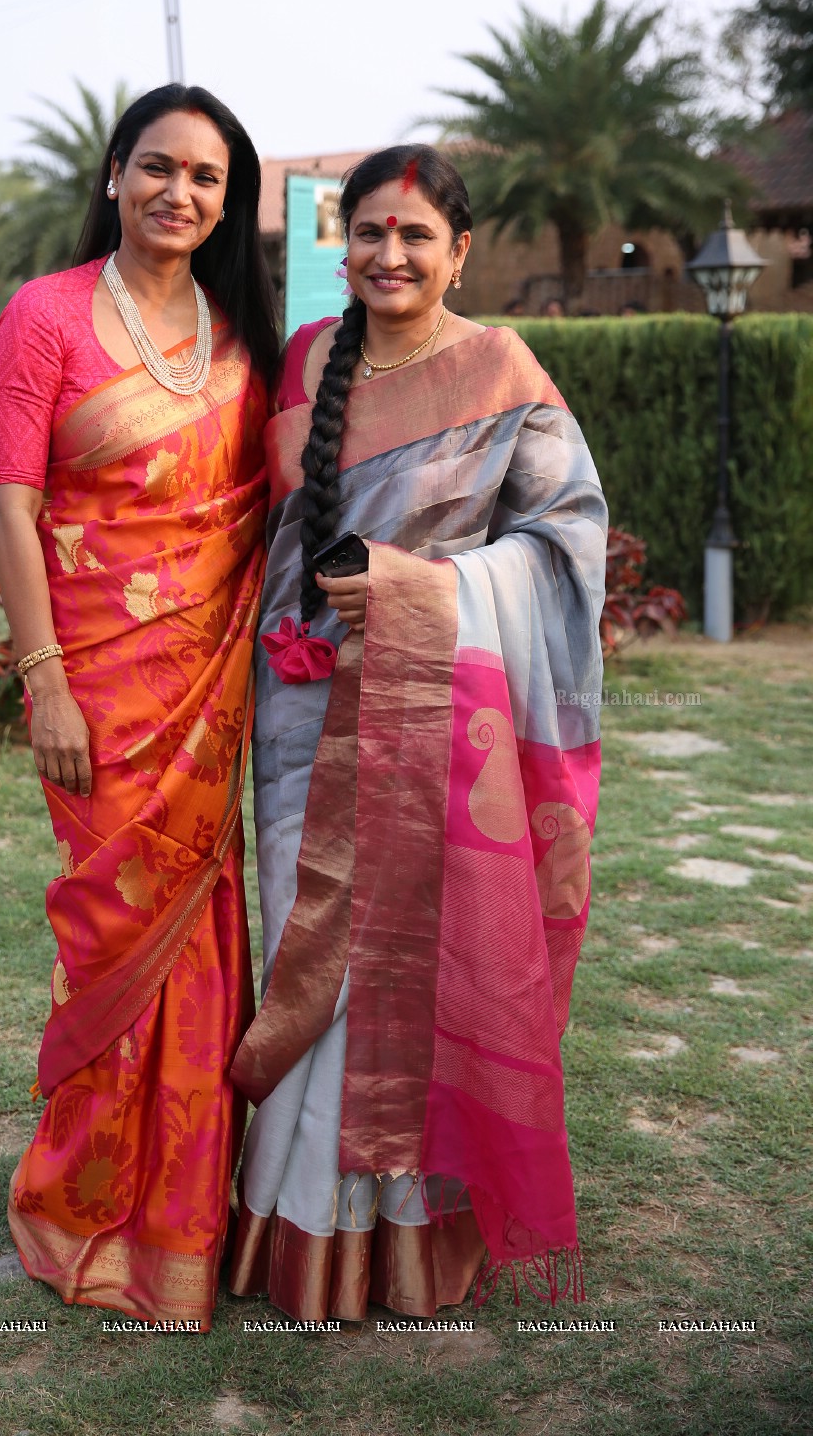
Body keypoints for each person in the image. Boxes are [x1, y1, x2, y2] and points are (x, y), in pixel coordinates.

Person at [228, 145, 607, 1322]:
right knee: (311, 946)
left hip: (438, 706)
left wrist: (422, 589)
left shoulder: (499, 367)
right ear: (341, 245)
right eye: (370, 233)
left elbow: (566, 542)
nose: (390, 255)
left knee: (403, 960)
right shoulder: (303, 360)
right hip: (297, 712)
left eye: (416, 237)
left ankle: (399, 1232)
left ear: (460, 251)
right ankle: (291, 1221)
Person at [0, 84, 279, 1328]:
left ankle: (184, 1215)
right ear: (114, 175)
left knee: (205, 937)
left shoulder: (240, 333)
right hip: (97, 688)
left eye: (206, 178)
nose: (181, 193)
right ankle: (84, 1204)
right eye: (158, 167)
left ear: (229, 201)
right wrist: (42, 677)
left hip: (210, 693)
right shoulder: (45, 315)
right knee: (112, 942)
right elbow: (11, 506)